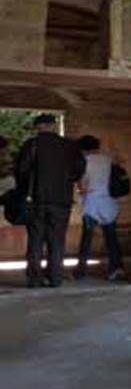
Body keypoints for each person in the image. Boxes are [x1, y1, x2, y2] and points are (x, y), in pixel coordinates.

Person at [15, 114, 85, 288]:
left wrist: (26, 190)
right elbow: (79, 169)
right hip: (61, 201)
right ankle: (55, 278)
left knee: (35, 240)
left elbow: (21, 172)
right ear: (53, 125)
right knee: (57, 239)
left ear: (37, 127)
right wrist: (66, 181)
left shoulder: (31, 145)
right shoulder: (69, 146)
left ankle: (34, 279)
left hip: (36, 201)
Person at [74, 135, 124, 281]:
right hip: (109, 203)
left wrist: (80, 190)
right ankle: (116, 268)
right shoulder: (108, 159)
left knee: (87, 238)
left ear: (82, 149)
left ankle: (81, 270)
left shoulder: (84, 162)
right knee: (111, 237)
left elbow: (83, 186)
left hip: (91, 203)